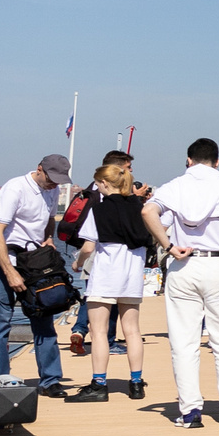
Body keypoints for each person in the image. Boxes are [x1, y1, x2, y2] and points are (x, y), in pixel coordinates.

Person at [143, 137, 219, 428]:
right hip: (218, 263)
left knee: (184, 342)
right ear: (217, 161)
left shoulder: (174, 186)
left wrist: (168, 246)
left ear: (189, 160)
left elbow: (148, 211)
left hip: (183, 264)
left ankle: (190, 411)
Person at [0, 153, 72, 391]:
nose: (54, 184)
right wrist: (10, 272)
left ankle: (51, 380)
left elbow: (50, 218)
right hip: (4, 264)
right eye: (51, 179)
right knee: (0, 325)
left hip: (35, 265)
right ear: (39, 169)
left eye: (59, 180)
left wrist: (49, 238)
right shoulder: (15, 188)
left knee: (44, 319)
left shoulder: (53, 189)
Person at [69, 159, 154, 397]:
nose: (97, 188)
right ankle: (136, 383)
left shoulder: (98, 210)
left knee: (98, 331)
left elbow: (88, 247)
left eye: (98, 184)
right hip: (132, 275)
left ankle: (99, 384)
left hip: (106, 275)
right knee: (132, 331)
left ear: (105, 184)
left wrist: (77, 263)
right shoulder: (139, 208)